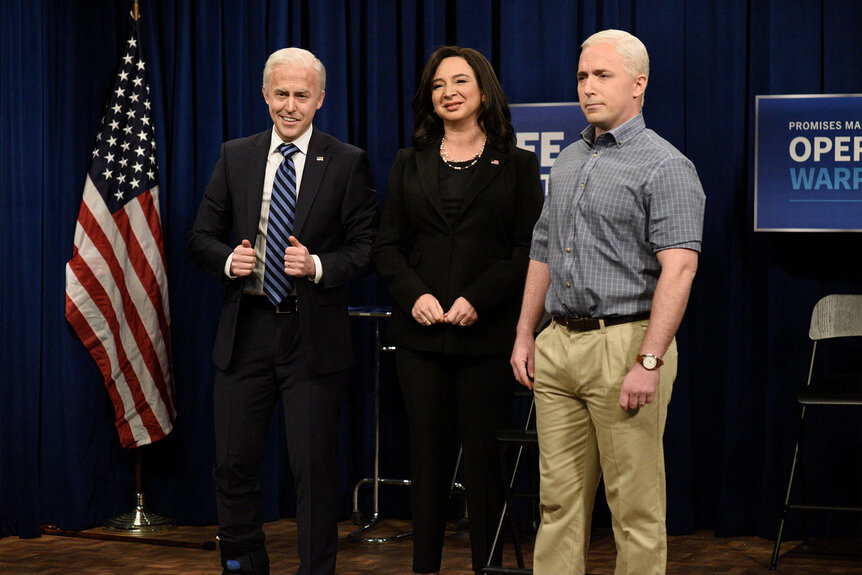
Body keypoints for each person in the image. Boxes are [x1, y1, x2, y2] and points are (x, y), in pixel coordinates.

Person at [510, 30, 705, 575]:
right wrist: (527, 332)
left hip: (625, 346)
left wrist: (649, 359)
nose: (588, 87)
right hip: (559, 346)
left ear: (638, 84)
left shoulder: (665, 166)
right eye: (581, 77)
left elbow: (680, 268)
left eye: (602, 76)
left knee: (635, 511)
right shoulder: (569, 159)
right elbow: (543, 250)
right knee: (556, 506)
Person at [187, 47, 377, 575]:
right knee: (233, 464)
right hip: (246, 329)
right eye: (281, 94)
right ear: (265, 95)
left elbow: (367, 248)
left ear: (320, 99)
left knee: (312, 471)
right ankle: (244, 566)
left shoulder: (346, 161)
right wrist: (230, 259)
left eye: (301, 95)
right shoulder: (236, 155)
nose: (289, 106)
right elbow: (200, 237)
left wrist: (316, 264)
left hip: (310, 334)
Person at [374, 46, 544, 574]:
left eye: (460, 81)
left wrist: (478, 299)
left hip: (485, 338)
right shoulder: (410, 161)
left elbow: (527, 249)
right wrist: (416, 295)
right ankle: (424, 567)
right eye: (438, 84)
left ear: (483, 91)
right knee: (428, 463)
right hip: (421, 338)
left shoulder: (516, 164)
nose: (448, 92)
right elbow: (387, 247)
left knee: (484, 464)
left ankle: (486, 568)